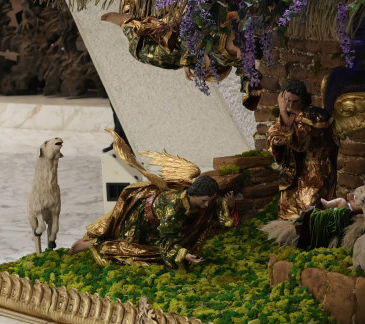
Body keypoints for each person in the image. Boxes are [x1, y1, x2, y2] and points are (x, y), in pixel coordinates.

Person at [100, 10, 262, 110]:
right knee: (148, 54)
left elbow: (247, 72)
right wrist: (187, 61)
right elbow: (194, 34)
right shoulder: (224, 30)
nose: (243, 58)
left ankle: (130, 25)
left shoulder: (239, 57)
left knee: (160, 60)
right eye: (245, 54)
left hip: (194, 58)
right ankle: (125, 21)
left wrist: (252, 90)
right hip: (180, 37)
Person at [69, 175, 237, 269]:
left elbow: (221, 211)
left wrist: (229, 207)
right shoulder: (174, 209)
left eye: (210, 200)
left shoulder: (204, 199)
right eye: (204, 201)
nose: (207, 205)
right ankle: (93, 244)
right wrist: (184, 254)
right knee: (129, 252)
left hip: (157, 223)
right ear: (193, 194)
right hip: (139, 219)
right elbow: (167, 245)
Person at [266, 79, 338, 220]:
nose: (291, 105)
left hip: (316, 168)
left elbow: (299, 141)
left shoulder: (313, 117)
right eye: (287, 101)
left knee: (309, 205)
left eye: (295, 101)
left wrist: (282, 111)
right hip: (296, 169)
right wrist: (276, 141)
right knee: (287, 203)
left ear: (303, 100)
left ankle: (313, 232)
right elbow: (275, 130)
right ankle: (290, 233)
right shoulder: (289, 116)